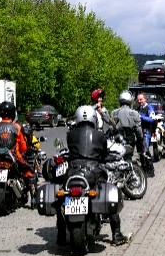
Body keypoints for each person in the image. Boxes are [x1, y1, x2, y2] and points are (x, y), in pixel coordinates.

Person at [64, 105, 127, 245]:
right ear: (93, 117)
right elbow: (104, 154)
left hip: (73, 171)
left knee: (62, 196)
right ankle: (116, 234)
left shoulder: (70, 134)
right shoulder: (100, 135)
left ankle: (61, 234)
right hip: (93, 171)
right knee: (107, 191)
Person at [0, 101, 35, 193]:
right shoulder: (17, 127)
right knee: (29, 171)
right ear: (12, 113)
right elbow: (23, 147)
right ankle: (33, 196)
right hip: (14, 156)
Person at [111, 91, 149, 176]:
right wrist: (141, 139)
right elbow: (138, 130)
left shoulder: (114, 113)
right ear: (130, 100)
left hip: (117, 140)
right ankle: (129, 175)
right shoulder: (134, 113)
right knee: (128, 158)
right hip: (130, 140)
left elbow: (110, 128)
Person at [134, 93, 158, 177]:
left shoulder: (149, 108)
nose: (139, 101)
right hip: (138, 132)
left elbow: (152, 119)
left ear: (145, 99)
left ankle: (151, 171)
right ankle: (143, 170)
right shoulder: (138, 108)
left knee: (146, 151)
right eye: (138, 100)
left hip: (146, 132)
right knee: (140, 152)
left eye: (141, 99)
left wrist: (141, 117)